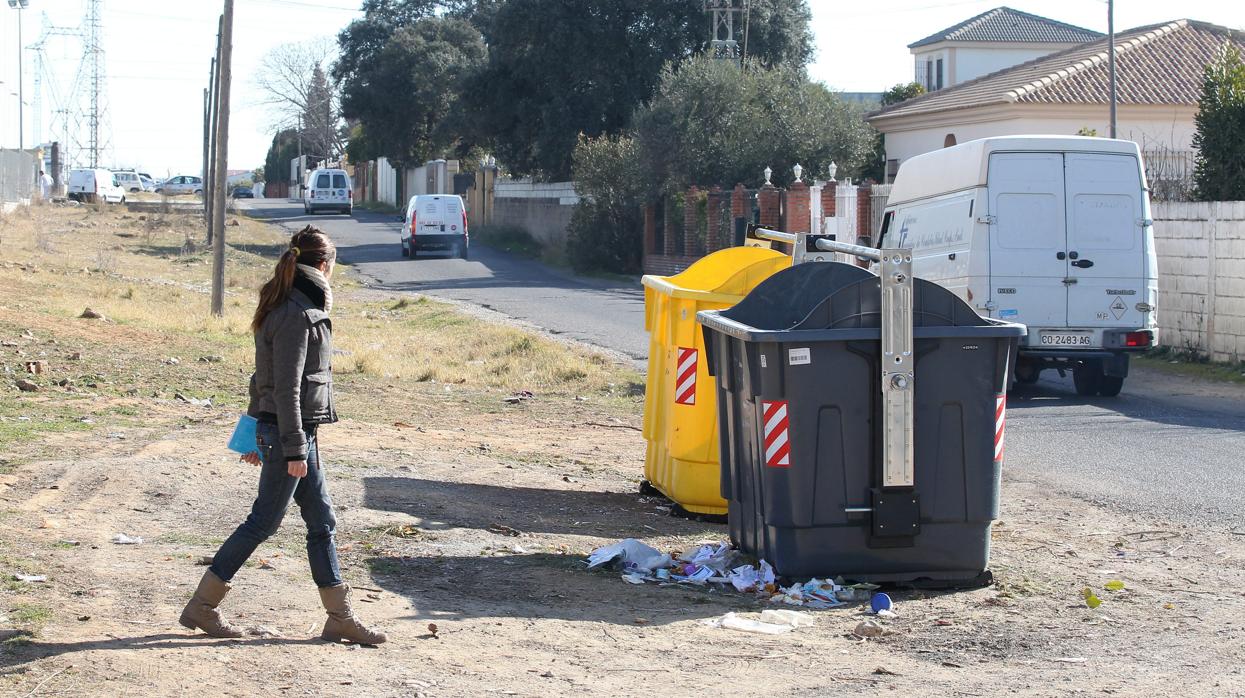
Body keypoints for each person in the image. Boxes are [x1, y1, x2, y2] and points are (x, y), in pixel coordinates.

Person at [179, 225, 387, 645]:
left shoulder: (291, 303)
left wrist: (260, 431)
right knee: (262, 523)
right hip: (292, 436)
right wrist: (290, 447)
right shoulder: (296, 313)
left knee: (322, 520)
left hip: (293, 433)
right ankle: (202, 607)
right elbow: (286, 387)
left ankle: (339, 618)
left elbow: (263, 380)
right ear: (325, 265)